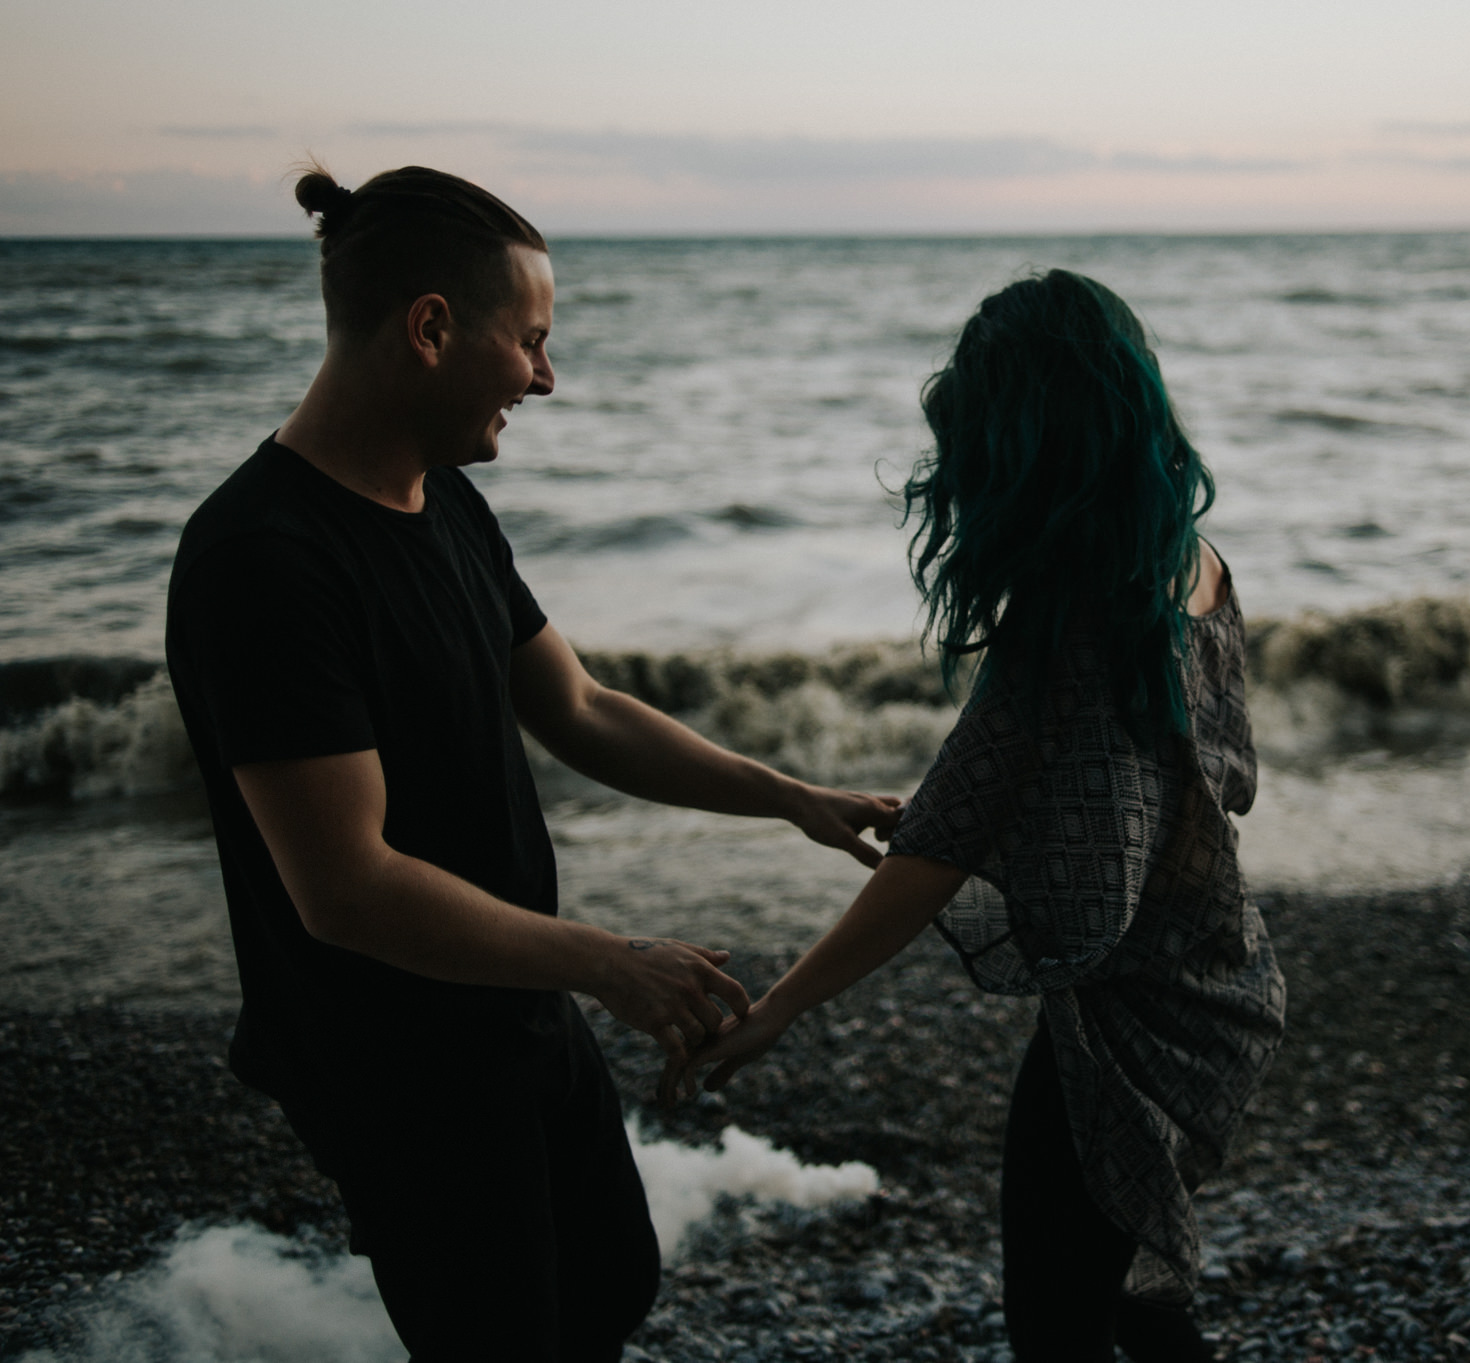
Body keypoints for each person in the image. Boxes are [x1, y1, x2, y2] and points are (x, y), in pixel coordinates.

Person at [163, 164, 900, 1362]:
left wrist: (790, 800)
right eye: (534, 341)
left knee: (609, 1283)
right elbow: (343, 889)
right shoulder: (264, 558)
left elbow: (579, 704)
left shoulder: (443, 501)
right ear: (433, 327)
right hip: (394, 1059)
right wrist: (614, 964)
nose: (547, 377)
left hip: (512, 999)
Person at [680, 270, 1287, 1362]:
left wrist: (778, 1006)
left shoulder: (1070, 619)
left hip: (1129, 1020)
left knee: (1061, 1325)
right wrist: (1007, 804)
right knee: (1125, 1295)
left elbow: (935, 853)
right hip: (1216, 981)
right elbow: (1195, 776)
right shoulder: (1194, 563)